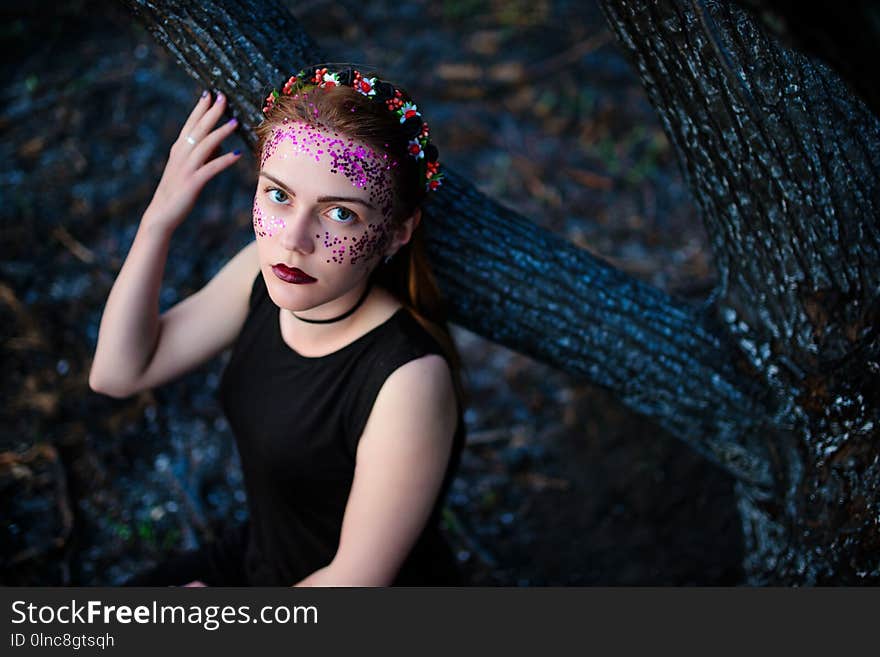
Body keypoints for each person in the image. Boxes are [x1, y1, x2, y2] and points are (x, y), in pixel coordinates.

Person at [89, 64, 469, 586]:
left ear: (398, 233)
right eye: (279, 195)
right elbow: (118, 372)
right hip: (258, 560)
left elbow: (356, 581)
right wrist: (159, 219)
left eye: (340, 215)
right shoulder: (265, 275)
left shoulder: (409, 381)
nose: (293, 239)